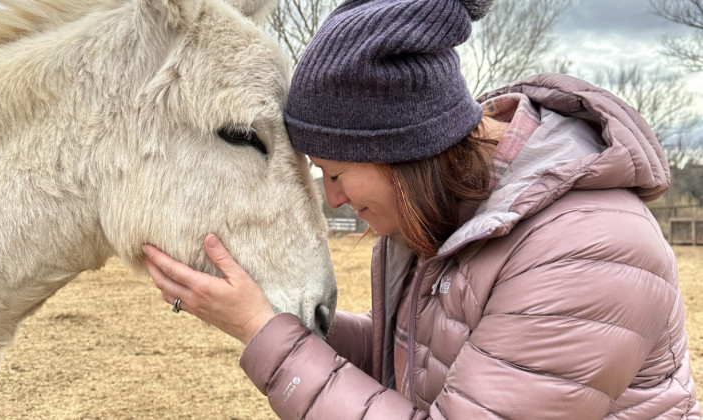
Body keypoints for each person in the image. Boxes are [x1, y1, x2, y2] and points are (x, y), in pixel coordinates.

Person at [141, 0, 702, 418]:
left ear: (401, 150)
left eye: (334, 173)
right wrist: (266, 313)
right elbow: (412, 359)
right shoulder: (452, 212)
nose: (332, 198)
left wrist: (263, 331)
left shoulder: (584, 251)